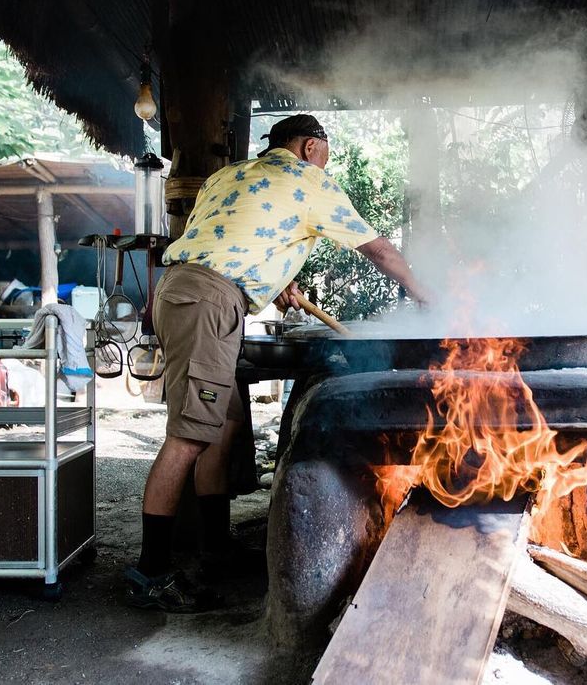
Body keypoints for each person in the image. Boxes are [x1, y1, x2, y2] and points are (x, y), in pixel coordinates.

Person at [125, 114, 431, 612]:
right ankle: (151, 572)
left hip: (183, 290)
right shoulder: (309, 179)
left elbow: (230, 240)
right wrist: (427, 297)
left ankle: (214, 547)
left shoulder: (230, 176)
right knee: (188, 436)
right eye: (326, 152)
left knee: (221, 423)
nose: (326, 161)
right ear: (311, 146)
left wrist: (273, 280)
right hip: (208, 302)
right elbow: (378, 249)